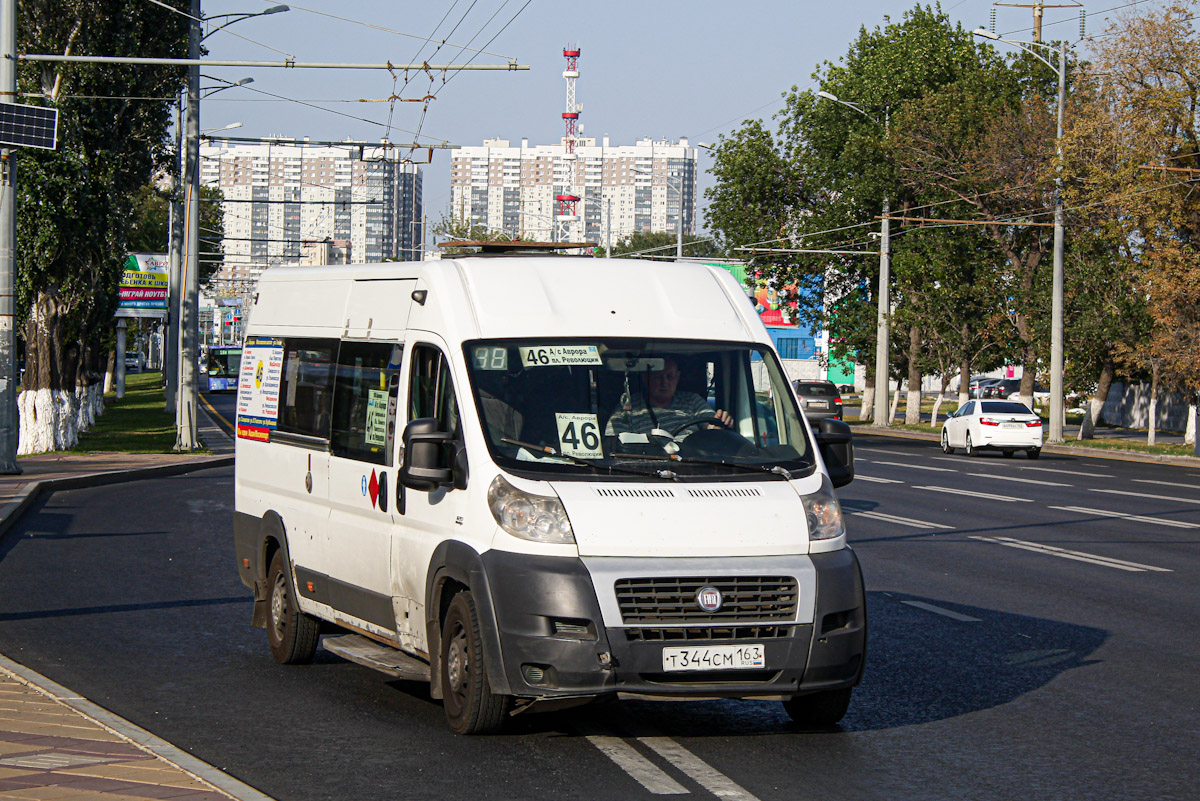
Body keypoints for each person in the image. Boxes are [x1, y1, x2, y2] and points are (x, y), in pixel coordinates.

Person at [605, 356, 733, 438]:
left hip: (693, 466)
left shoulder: (692, 400)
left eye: (669, 376)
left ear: (677, 377)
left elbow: (708, 421)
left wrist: (717, 422)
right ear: (645, 378)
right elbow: (614, 443)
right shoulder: (628, 408)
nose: (664, 382)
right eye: (658, 377)